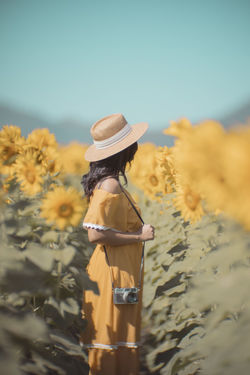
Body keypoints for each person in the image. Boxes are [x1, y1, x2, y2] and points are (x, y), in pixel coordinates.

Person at [80, 113, 155, 375]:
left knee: (118, 345)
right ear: (124, 150)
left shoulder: (110, 183)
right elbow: (95, 235)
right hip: (112, 276)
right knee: (110, 347)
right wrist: (139, 236)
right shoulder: (110, 185)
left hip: (119, 275)